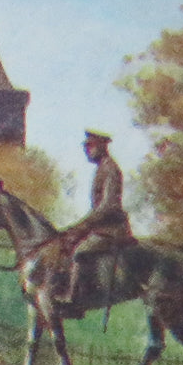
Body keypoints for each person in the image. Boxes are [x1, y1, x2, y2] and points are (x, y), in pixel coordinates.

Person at [58, 130, 134, 305]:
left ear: (101, 146)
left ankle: (73, 297)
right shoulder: (102, 169)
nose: (87, 150)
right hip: (100, 227)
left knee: (80, 251)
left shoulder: (111, 170)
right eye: (86, 146)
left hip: (112, 229)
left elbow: (108, 206)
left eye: (90, 146)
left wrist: (84, 225)